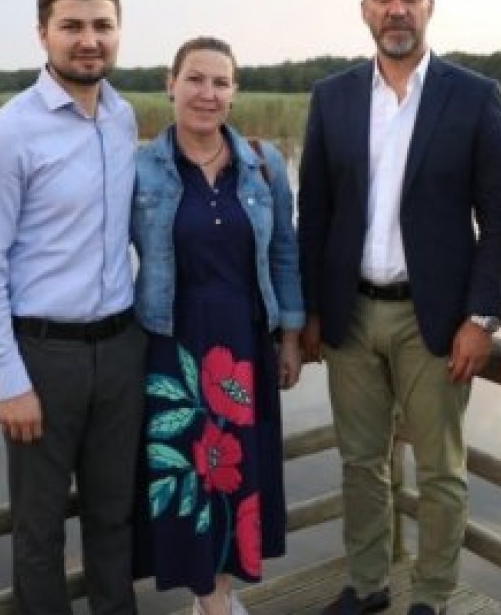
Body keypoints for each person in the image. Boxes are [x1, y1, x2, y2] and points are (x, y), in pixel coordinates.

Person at [298, 0, 501, 615]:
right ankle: (368, 585)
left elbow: (498, 221)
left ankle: (432, 594)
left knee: (442, 469)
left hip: (437, 320)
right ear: (364, 8)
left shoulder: (474, 96)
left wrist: (481, 318)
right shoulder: (331, 96)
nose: (397, 8)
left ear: (430, 5)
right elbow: (315, 212)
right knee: (361, 462)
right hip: (349, 315)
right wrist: (311, 311)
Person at [0, 0, 145, 615]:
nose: (88, 40)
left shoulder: (123, 117)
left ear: (118, 32)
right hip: (44, 358)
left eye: (102, 25)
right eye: (71, 26)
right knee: (39, 531)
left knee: (114, 516)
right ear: (43, 33)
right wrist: (8, 381)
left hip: (121, 349)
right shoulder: (9, 132)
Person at [130, 36, 305, 615]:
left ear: (234, 92)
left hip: (245, 341)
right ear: (170, 84)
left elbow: (284, 252)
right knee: (185, 470)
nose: (207, 93)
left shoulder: (263, 162)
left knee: (237, 469)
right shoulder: (139, 168)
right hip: (172, 343)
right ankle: (213, 602)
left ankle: (220, 595)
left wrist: (289, 336)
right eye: (195, 79)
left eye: (220, 82)